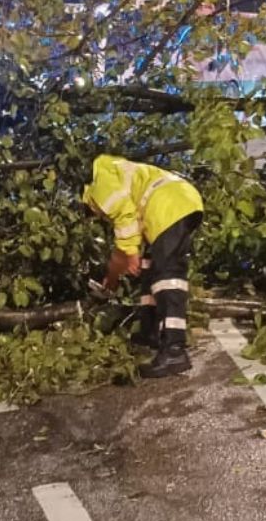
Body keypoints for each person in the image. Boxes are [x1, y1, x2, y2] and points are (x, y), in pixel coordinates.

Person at [83, 154, 204, 379]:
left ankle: (174, 349)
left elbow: (124, 218)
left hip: (169, 206)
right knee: (150, 270)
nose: (100, 216)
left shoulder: (99, 188)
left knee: (168, 278)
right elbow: (124, 246)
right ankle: (150, 333)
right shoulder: (112, 172)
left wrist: (130, 253)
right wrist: (112, 279)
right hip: (177, 203)